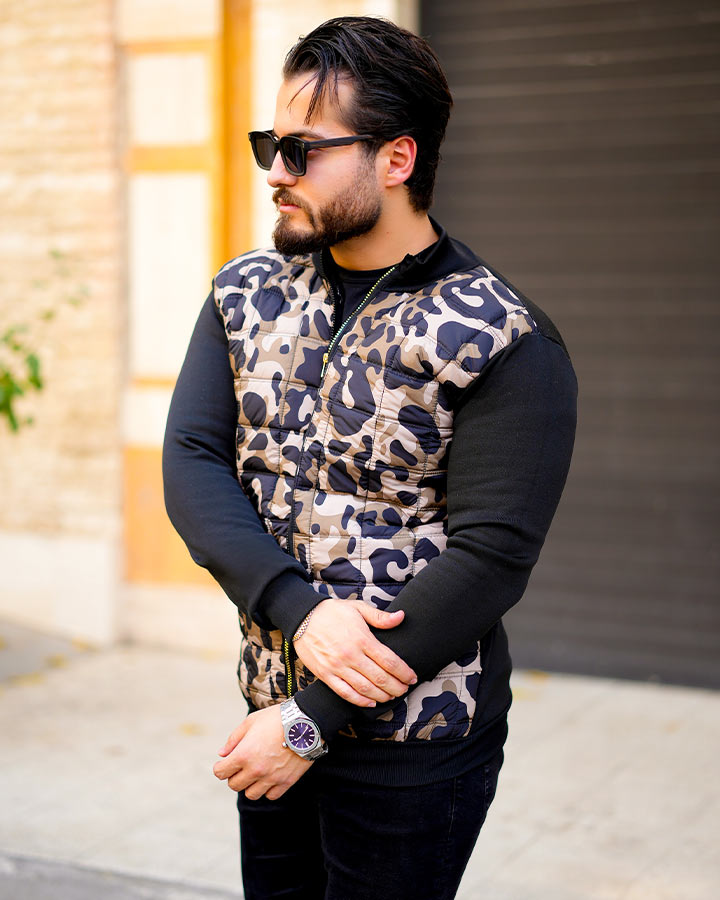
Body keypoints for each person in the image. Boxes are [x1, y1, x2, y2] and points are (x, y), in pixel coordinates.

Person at [162, 15, 577, 900]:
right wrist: (298, 613)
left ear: (396, 158)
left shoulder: (499, 334)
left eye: (303, 150)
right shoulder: (245, 294)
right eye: (270, 144)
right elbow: (193, 460)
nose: (276, 172)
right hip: (267, 711)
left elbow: (491, 560)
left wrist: (308, 724)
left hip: (415, 748)